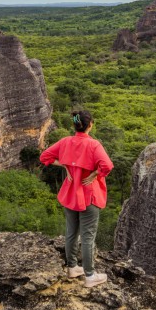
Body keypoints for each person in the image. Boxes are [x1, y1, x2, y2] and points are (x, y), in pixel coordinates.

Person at [40, 110, 113, 288]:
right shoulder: (94, 145)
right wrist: (95, 173)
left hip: (71, 194)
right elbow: (107, 166)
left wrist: (66, 165)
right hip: (89, 195)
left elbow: (45, 157)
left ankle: (72, 267)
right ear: (90, 125)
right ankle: (89, 276)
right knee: (88, 237)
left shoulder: (65, 142)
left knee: (71, 233)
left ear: (74, 125)